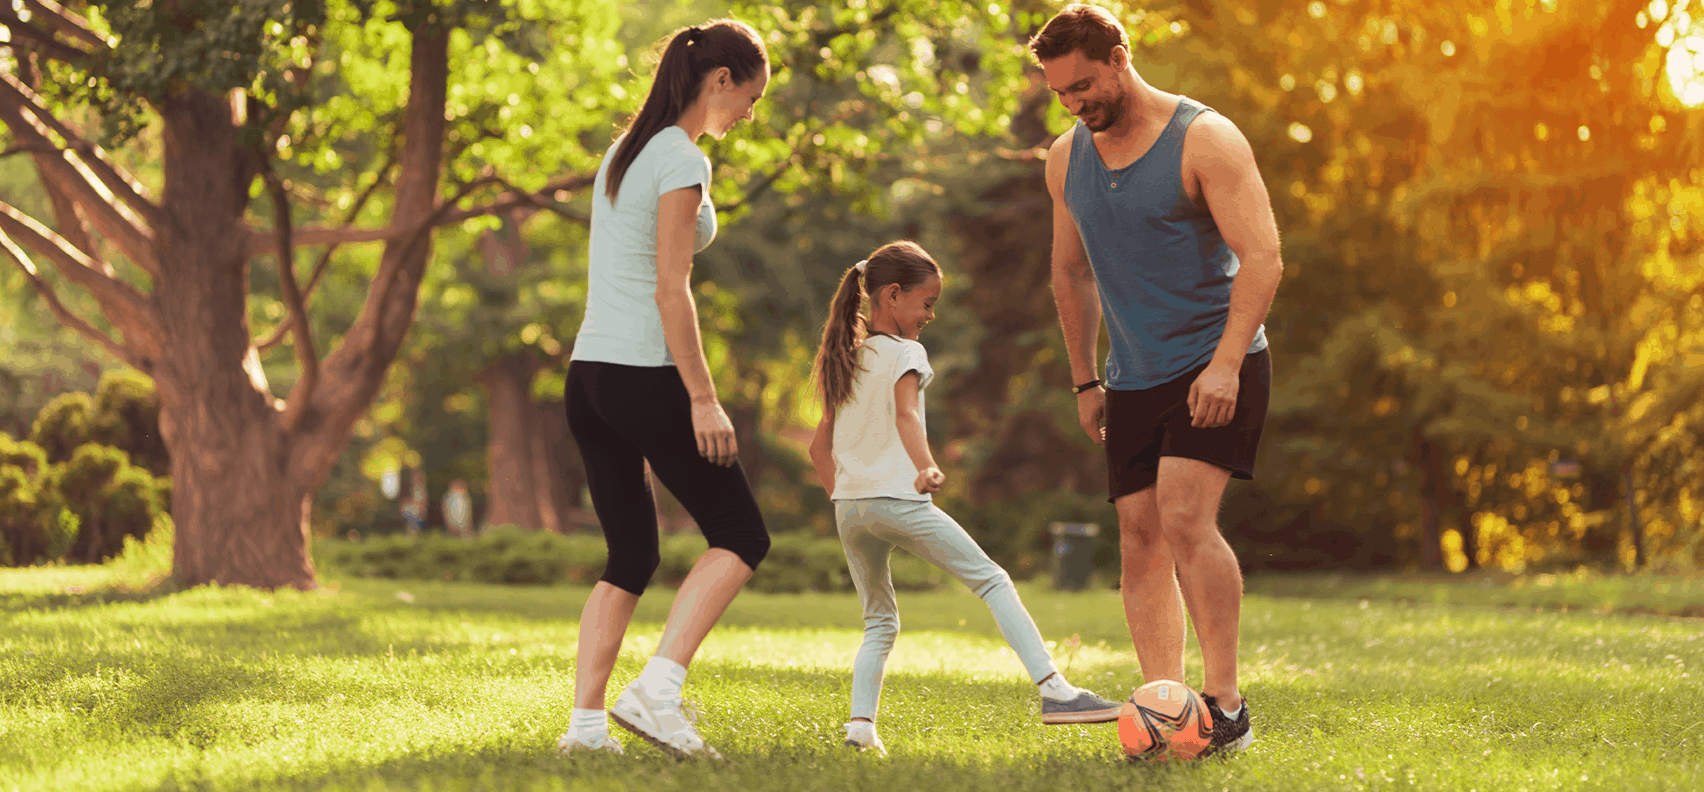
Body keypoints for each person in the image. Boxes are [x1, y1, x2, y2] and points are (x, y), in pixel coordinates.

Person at [1030, 3, 1285, 757]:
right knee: (1138, 538)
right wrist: (1084, 379)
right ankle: (1167, 709)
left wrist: (1228, 365)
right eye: (1061, 94)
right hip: (1131, 375)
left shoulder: (1203, 139)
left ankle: (1227, 705)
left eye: (1084, 85)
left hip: (1217, 360)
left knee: (1182, 516)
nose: (1076, 104)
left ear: (1118, 56)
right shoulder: (1064, 158)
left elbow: (1263, 257)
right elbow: (1069, 271)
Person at [807, 241, 1124, 758]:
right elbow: (907, 415)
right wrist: (926, 466)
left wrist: (847, 498)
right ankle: (1056, 691)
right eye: (927, 302)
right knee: (993, 580)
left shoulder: (848, 357)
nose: (931, 314)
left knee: (880, 622)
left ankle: (860, 730)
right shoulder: (906, 352)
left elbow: (821, 448)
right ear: (891, 296)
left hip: (851, 510)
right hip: (899, 499)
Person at [555, 19, 772, 760]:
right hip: (642, 376)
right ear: (719, 81)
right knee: (742, 535)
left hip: (589, 377)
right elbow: (672, 290)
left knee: (631, 557)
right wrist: (704, 399)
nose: (751, 112)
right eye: (750, 96)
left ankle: (585, 730)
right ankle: (657, 692)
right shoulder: (678, 159)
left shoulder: (626, 151)